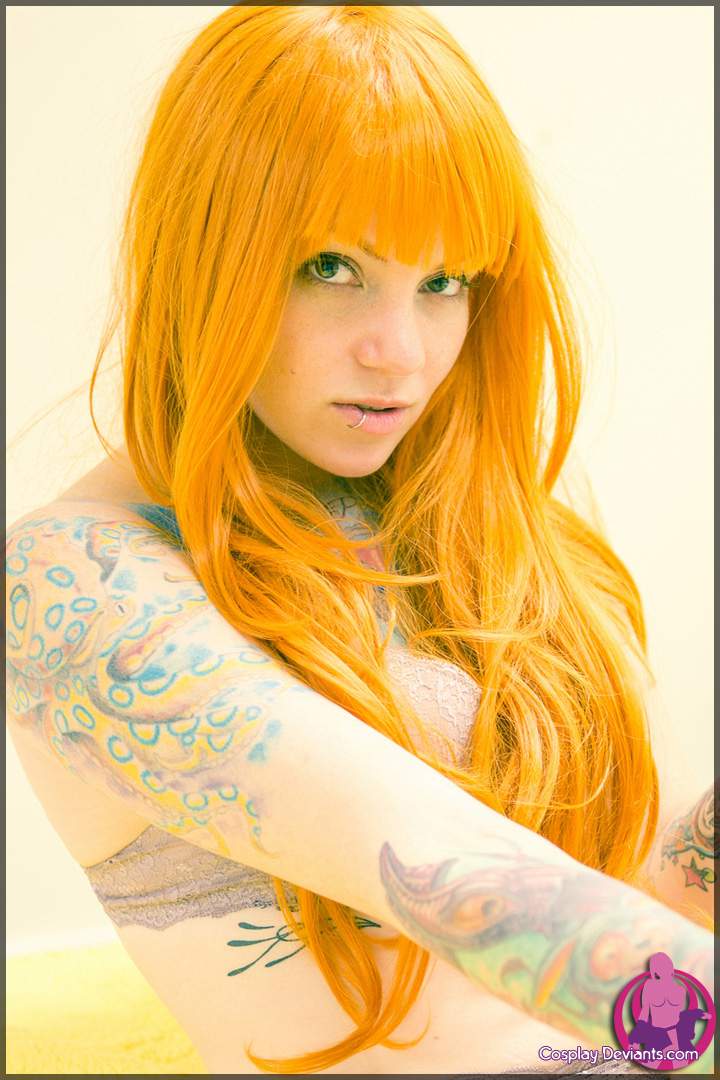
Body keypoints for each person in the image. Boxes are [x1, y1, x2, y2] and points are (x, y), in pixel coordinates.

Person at [5, 5, 715, 1075]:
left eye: (444, 283)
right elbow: (441, 868)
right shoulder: (74, 582)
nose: (401, 353)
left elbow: (652, 887)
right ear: (205, 255)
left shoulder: (488, 519)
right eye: (332, 267)